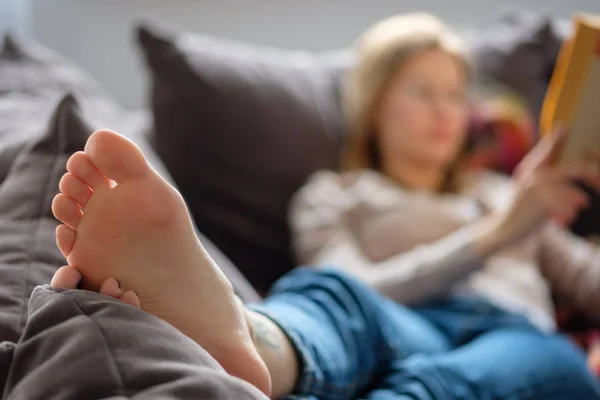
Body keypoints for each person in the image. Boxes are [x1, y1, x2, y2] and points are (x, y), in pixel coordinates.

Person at [48, 13, 600, 400]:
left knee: (462, 383)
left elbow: (587, 281)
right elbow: (361, 284)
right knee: (335, 299)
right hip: (395, 321)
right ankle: (253, 340)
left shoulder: (508, 194)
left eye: (455, 94)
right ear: (376, 104)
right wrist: (491, 237)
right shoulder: (333, 194)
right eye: (422, 91)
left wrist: (522, 216)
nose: (445, 112)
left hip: (519, 333)